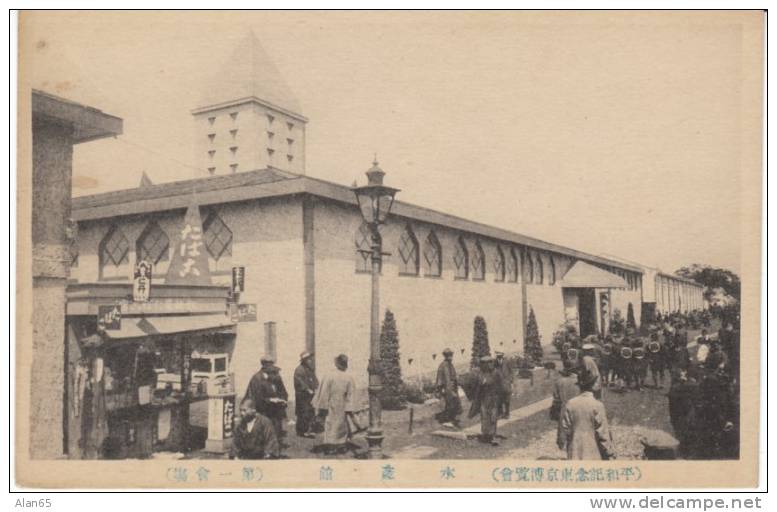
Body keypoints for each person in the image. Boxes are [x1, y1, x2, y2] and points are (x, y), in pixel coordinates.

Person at [557, 369, 616, 460]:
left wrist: (564, 444)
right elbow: (603, 433)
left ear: (579, 386)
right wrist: (609, 452)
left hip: (574, 448)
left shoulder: (571, 403)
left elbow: (565, 428)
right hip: (593, 450)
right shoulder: (597, 405)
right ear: (593, 386)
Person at [312, 354, 361, 454]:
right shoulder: (349, 378)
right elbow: (351, 394)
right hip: (342, 405)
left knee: (330, 424)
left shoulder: (329, 376)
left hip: (331, 404)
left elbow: (324, 392)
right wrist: (349, 408)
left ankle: (331, 446)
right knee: (340, 425)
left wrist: (322, 406)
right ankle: (340, 445)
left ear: (336, 363)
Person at [243, 356, 289, 441]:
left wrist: (283, 399)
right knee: (264, 432)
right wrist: (270, 400)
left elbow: (283, 391)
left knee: (276, 430)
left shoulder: (276, 377)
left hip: (275, 409)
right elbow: (256, 398)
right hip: (263, 410)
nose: (273, 371)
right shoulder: (256, 379)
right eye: (269, 366)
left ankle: (274, 448)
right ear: (264, 366)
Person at [468, 356, 504, 446]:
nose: (488, 365)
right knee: (484, 417)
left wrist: (501, 399)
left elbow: (501, 386)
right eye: (485, 364)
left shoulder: (496, 373)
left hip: (494, 399)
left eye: (490, 363)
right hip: (484, 400)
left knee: (493, 417)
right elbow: (477, 387)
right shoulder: (480, 374)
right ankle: (485, 435)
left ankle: (493, 436)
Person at [293, 351, 319, 438]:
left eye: (310, 359)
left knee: (310, 412)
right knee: (303, 413)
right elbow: (300, 382)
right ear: (304, 360)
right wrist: (308, 389)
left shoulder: (310, 369)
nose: (310, 360)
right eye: (308, 359)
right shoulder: (299, 370)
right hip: (302, 396)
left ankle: (309, 429)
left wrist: (317, 388)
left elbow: (315, 380)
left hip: (310, 396)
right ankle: (301, 431)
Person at [435, 348, 462, 428]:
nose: (450, 357)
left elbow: (453, 376)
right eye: (448, 355)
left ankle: (452, 418)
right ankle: (447, 420)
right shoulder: (442, 366)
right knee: (449, 404)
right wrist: (440, 388)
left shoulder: (451, 364)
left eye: (451, 355)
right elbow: (439, 378)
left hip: (453, 388)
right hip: (447, 388)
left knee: (454, 403)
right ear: (445, 356)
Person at [494, 352, 513, 419]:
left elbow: (511, 372)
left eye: (500, 356)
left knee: (507, 400)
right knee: (499, 400)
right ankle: (500, 413)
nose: (499, 357)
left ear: (502, 355)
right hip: (498, 385)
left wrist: (510, 381)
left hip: (506, 384)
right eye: (497, 356)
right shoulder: (494, 363)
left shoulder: (507, 362)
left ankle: (507, 413)